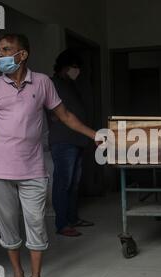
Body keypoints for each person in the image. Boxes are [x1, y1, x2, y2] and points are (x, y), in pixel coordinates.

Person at [0, 34, 98, 277]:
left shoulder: (42, 83)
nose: (0, 55)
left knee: (37, 223)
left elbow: (65, 117)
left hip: (33, 169)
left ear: (23, 54)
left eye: (6, 50)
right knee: (8, 227)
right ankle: (18, 275)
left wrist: (93, 134)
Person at [47, 49, 95, 238]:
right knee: (63, 182)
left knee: (74, 183)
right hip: (63, 141)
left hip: (77, 140)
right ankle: (62, 224)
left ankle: (72, 218)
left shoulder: (70, 85)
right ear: (65, 67)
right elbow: (55, 112)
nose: (78, 71)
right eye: (74, 67)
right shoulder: (52, 84)